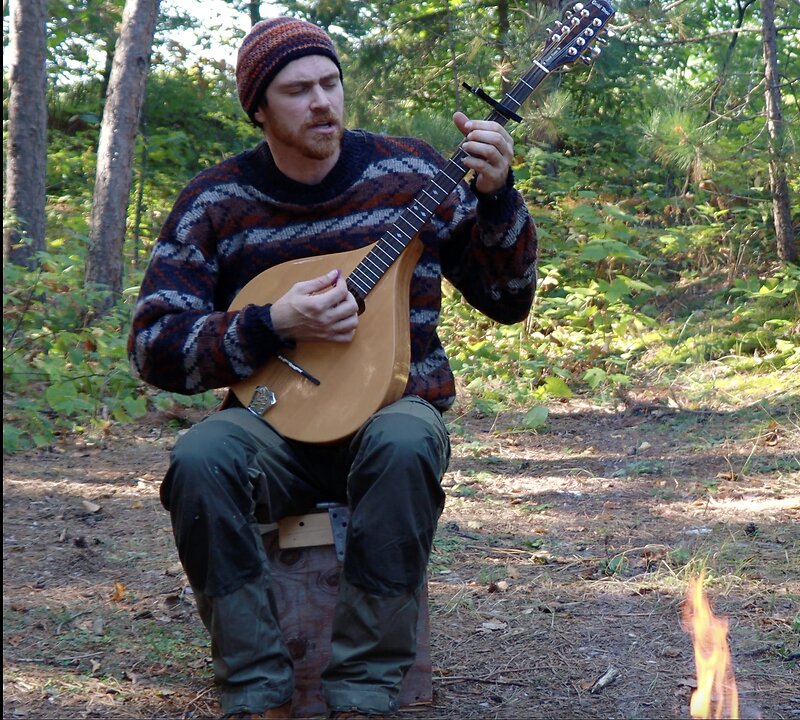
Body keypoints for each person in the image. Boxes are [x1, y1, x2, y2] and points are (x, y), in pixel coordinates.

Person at [128, 17, 537, 720]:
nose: (321, 102)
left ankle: (363, 695)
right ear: (258, 108)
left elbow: (507, 299)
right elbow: (154, 344)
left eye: (330, 83)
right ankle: (257, 694)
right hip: (274, 425)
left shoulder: (411, 176)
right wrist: (269, 324)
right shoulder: (215, 203)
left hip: (388, 413)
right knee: (200, 457)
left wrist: (498, 199)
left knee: (408, 442)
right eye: (297, 91)